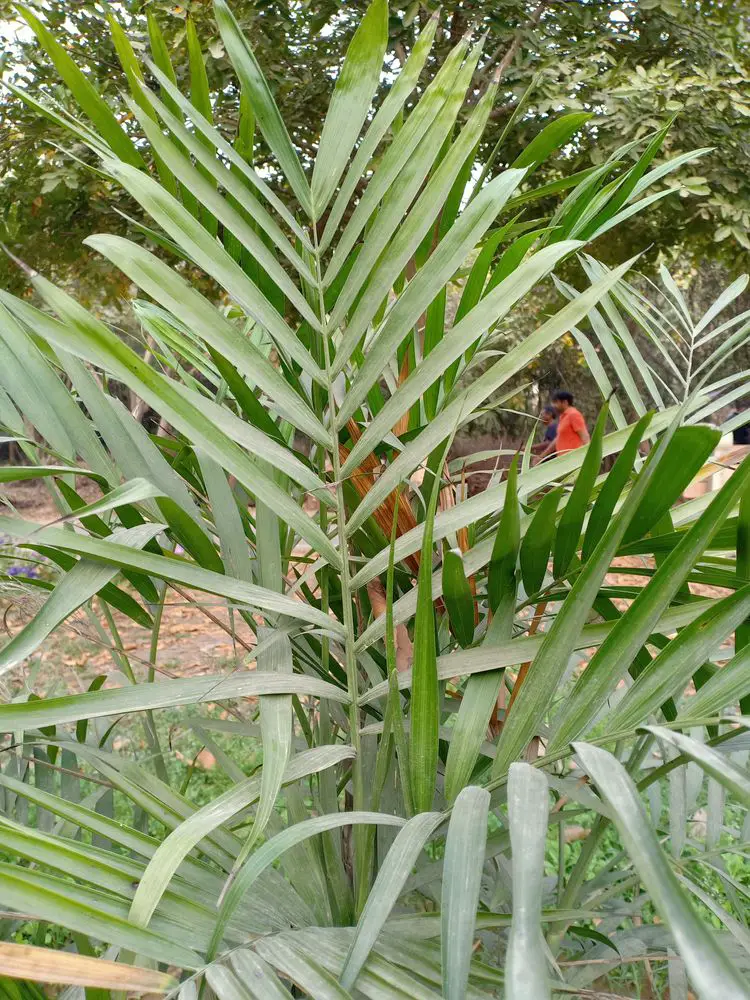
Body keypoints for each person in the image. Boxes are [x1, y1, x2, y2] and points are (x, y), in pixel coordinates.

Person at [536, 391, 590, 461]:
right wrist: (542, 456)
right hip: (563, 461)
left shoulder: (574, 415)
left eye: (556, 402)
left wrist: (589, 458)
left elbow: (585, 437)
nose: (553, 405)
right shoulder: (563, 417)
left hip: (573, 459)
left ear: (565, 402)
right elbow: (558, 439)